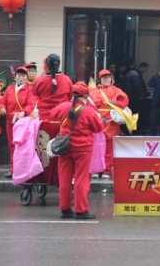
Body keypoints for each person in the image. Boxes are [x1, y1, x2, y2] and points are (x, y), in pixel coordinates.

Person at [52, 82, 105, 220]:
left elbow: (52, 114)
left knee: (64, 178)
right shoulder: (89, 111)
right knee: (81, 179)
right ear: (86, 95)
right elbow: (98, 128)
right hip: (83, 148)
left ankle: (65, 209)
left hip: (64, 147)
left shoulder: (62, 107)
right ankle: (81, 210)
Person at [31, 54, 73, 185]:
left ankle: (43, 179)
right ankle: (61, 179)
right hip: (62, 123)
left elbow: (34, 94)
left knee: (44, 152)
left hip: (45, 123)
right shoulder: (67, 80)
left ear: (46, 65)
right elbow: (70, 97)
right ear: (59, 64)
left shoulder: (40, 80)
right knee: (62, 152)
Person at [0, 66, 37, 178]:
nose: (21, 77)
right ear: (15, 77)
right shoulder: (10, 88)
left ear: (26, 77)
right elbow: (2, 101)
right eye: (19, 75)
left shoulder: (30, 89)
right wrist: (2, 107)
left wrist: (23, 112)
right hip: (10, 122)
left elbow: (31, 104)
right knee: (12, 146)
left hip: (23, 123)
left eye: (23, 76)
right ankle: (13, 169)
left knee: (23, 147)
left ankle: (24, 170)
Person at [88, 69, 129, 179]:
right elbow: (89, 106)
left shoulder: (117, 91)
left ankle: (107, 170)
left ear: (111, 79)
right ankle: (96, 169)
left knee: (109, 148)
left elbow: (124, 101)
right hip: (98, 122)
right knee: (96, 147)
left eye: (108, 77)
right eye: (104, 77)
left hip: (111, 123)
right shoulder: (93, 92)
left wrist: (115, 103)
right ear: (100, 79)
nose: (106, 79)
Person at [119, 57, 145, 133]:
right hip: (134, 99)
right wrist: (141, 94)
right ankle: (134, 131)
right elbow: (137, 86)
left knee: (125, 114)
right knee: (135, 115)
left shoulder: (122, 73)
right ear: (133, 63)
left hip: (124, 98)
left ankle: (125, 130)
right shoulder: (134, 73)